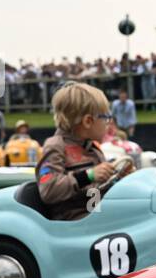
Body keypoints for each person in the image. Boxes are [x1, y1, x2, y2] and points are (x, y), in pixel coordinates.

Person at [35, 81, 133, 221]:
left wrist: (118, 178)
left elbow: (98, 191)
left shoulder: (93, 148)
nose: (109, 123)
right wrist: (88, 176)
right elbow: (49, 191)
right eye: (105, 117)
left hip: (96, 216)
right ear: (88, 121)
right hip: (74, 224)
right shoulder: (55, 146)